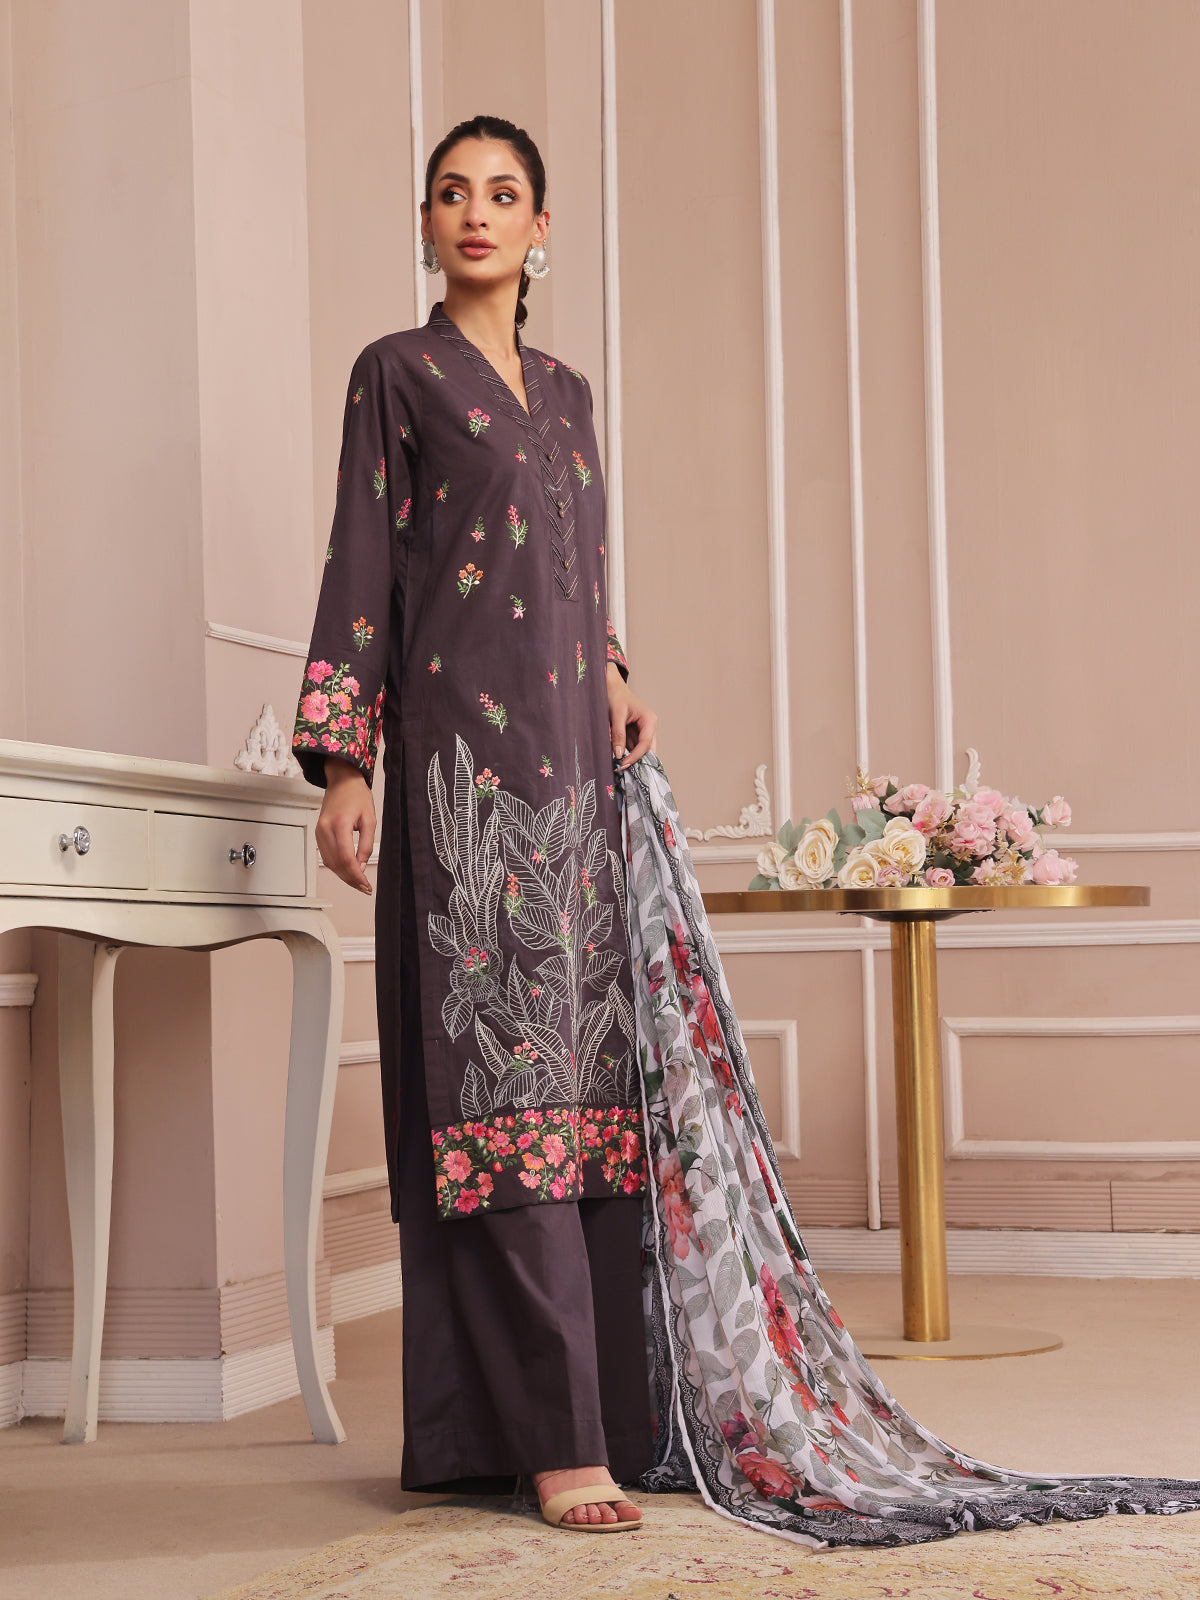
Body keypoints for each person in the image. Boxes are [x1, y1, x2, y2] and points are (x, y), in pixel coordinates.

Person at [291, 114, 659, 1531]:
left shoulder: (567, 394)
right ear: (428, 223)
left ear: (541, 228)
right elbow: (365, 559)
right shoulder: (397, 372)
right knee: (497, 1083)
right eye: (453, 194)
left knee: (587, 1091)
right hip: (466, 773)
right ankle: (557, 1441)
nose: (477, 213)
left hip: (577, 771)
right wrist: (346, 762)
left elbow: (578, 562)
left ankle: (575, 1422)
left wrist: (613, 668)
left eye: (504, 194)